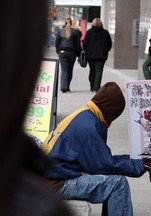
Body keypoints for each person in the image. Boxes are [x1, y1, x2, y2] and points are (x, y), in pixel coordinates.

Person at [0, 0, 74, 215]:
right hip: (72, 54)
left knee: (66, 74)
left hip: (63, 53)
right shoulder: (31, 203)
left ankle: (66, 85)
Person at [40, 82, 151, 216]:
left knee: (112, 180)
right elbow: (101, 166)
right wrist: (136, 166)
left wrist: (132, 159)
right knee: (117, 183)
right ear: (111, 111)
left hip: (50, 177)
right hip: (56, 184)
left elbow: (101, 158)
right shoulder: (89, 127)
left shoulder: (85, 114)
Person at [83, 18, 112, 92]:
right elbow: (109, 44)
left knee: (92, 70)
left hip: (90, 55)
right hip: (102, 55)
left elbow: (85, 43)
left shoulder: (89, 32)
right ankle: (97, 87)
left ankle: (92, 85)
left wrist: (86, 50)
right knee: (99, 71)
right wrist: (105, 50)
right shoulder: (105, 32)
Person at [55, 17, 81, 93]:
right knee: (70, 69)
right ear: (71, 22)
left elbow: (57, 43)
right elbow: (78, 45)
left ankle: (63, 86)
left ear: (64, 23)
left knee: (64, 70)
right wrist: (79, 54)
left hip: (62, 52)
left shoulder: (60, 31)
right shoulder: (75, 32)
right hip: (72, 53)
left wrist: (58, 51)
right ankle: (67, 86)